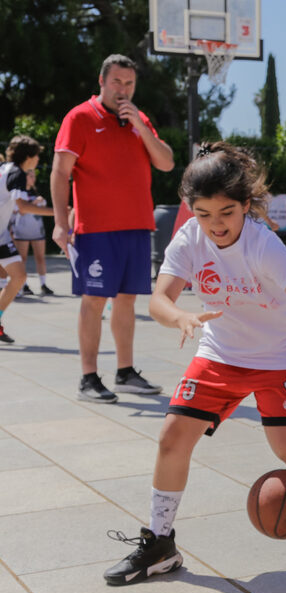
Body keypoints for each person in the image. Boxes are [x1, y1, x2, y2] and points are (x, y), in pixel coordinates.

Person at [102, 142, 286, 585]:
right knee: (172, 436)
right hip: (221, 352)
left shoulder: (262, 243)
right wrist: (182, 317)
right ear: (192, 211)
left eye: (226, 212)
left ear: (246, 207)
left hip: (280, 352)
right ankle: (160, 542)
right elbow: (158, 301)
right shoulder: (190, 238)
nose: (216, 224)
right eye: (204, 213)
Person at [51, 54, 174, 402]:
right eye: (117, 82)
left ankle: (125, 372)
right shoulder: (79, 117)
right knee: (94, 300)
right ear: (102, 81)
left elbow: (166, 163)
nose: (124, 90)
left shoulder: (139, 119)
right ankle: (88, 379)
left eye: (130, 83)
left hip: (136, 226)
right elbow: (60, 173)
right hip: (96, 229)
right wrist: (61, 223)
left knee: (127, 300)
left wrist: (141, 126)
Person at [1, 136, 55, 343]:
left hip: (2, 236)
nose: (39, 159)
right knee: (17, 277)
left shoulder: (6, 168)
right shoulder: (17, 173)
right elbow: (23, 208)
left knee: (19, 277)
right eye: (37, 155)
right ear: (29, 157)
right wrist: (58, 213)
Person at [12, 169, 54, 296]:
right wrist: (34, 203)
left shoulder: (36, 191)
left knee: (40, 257)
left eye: (33, 176)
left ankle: (43, 284)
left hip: (37, 229)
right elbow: (19, 210)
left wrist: (40, 203)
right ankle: (23, 285)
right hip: (21, 230)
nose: (33, 178)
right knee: (22, 259)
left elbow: (43, 207)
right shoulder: (18, 192)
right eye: (30, 176)